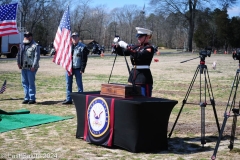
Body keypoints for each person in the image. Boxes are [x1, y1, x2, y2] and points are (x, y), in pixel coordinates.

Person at [113, 27, 154, 97]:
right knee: (132, 98)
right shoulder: (136, 47)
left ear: (147, 37)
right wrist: (117, 45)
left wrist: (127, 46)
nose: (138, 38)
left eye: (141, 36)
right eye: (138, 36)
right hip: (133, 76)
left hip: (143, 77)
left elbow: (139, 55)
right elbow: (122, 53)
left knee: (145, 100)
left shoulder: (149, 48)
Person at [62, 32, 89, 104]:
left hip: (78, 68)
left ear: (78, 38)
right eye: (73, 37)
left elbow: (84, 59)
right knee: (68, 84)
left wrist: (82, 69)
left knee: (79, 84)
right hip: (69, 68)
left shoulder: (82, 47)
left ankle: (80, 99)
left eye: (75, 37)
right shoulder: (68, 46)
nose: (74, 38)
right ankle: (68, 99)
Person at [17, 32, 40, 104]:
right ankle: (26, 98)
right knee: (24, 82)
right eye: (25, 36)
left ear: (31, 37)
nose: (26, 37)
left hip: (31, 68)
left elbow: (37, 57)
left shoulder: (35, 45)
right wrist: (18, 63)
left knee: (31, 83)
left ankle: (32, 98)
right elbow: (18, 55)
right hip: (23, 67)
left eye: (28, 36)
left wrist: (34, 66)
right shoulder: (22, 45)